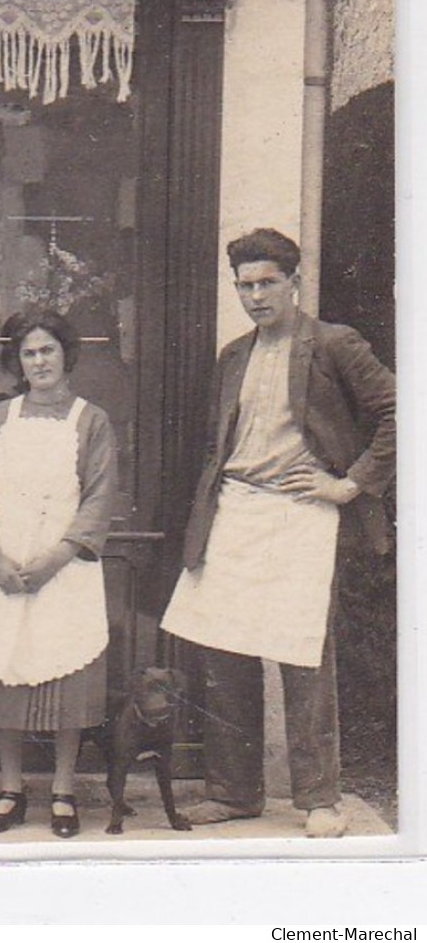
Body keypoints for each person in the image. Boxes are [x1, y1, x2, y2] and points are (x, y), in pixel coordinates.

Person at [161, 228, 395, 839]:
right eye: (245, 286)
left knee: (302, 659)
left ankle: (319, 799)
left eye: (268, 283)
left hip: (301, 516)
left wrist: (351, 484)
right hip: (236, 510)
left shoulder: (334, 344)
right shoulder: (234, 354)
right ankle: (234, 792)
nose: (257, 296)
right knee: (224, 655)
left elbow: (403, 409)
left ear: (295, 282)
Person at [0, 310, 118, 839]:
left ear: (66, 354)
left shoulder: (92, 420)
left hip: (64, 569)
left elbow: (97, 502)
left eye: (47, 350)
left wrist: (53, 560)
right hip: (2, 564)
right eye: (29, 353)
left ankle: (64, 791)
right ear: (17, 361)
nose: (39, 361)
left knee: (64, 671)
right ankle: (12, 789)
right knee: (7, 668)